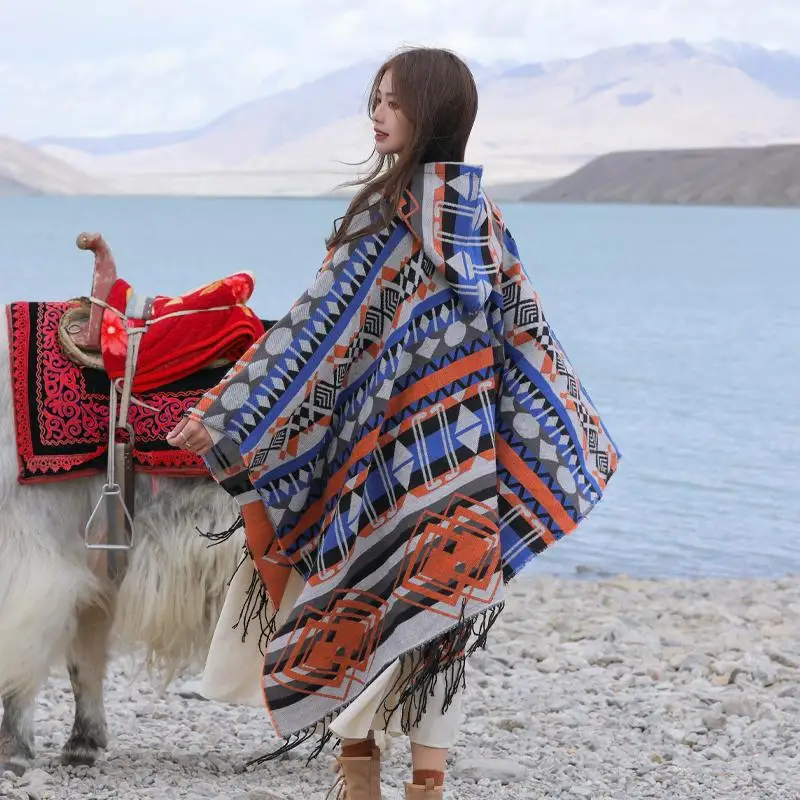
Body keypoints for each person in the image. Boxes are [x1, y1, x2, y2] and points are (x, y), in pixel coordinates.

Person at [167, 46, 620, 800]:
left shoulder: (384, 220)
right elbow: (527, 339)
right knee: (442, 618)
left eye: (393, 101)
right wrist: (561, 429)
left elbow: (313, 335)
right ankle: (421, 786)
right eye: (374, 101)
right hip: (466, 467)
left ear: (432, 111)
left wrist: (230, 411)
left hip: (380, 461)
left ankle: (362, 780)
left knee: (360, 600)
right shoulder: (482, 220)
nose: (378, 115)